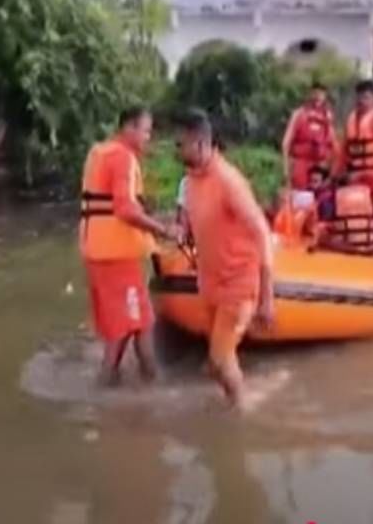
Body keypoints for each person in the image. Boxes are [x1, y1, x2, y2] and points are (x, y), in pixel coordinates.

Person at [176, 109, 275, 410]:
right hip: (210, 282)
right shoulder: (191, 181)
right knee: (216, 360)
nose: (175, 150)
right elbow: (195, 225)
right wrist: (179, 231)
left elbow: (262, 233)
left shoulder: (228, 181)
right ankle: (239, 394)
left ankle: (241, 414)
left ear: (201, 143)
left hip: (239, 282)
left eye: (180, 144)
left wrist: (267, 297)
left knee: (220, 358)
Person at [79, 107, 177, 386]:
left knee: (121, 327)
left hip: (98, 252)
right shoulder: (123, 158)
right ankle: (154, 390)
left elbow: (114, 205)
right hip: (115, 256)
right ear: (129, 128)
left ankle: (110, 390)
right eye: (146, 130)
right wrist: (163, 230)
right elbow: (124, 209)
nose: (149, 137)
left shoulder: (100, 152)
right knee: (141, 324)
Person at [281, 81, 337, 191]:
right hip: (301, 163)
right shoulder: (299, 114)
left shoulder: (327, 117)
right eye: (315, 93)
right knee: (301, 198)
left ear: (325, 97)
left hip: (319, 165)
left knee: (320, 197)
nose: (317, 97)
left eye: (321, 94)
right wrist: (285, 169)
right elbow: (285, 143)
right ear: (310, 94)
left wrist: (334, 170)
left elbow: (334, 144)